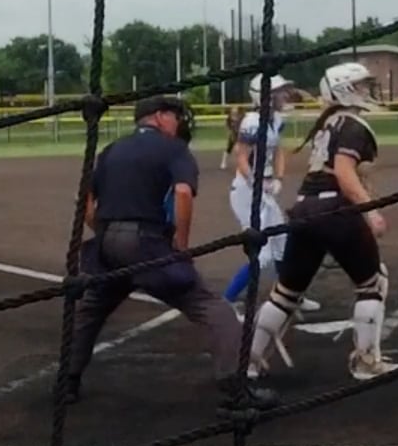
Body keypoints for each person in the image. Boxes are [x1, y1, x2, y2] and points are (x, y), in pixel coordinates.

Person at [59, 94, 276, 411]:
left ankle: (67, 382)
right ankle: (235, 389)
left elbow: (85, 199)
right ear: (159, 117)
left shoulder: (112, 149)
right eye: (175, 116)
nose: (180, 122)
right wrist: (181, 246)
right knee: (213, 309)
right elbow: (183, 193)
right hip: (148, 244)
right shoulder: (173, 149)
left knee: (90, 310)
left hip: (108, 244)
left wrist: (104, 231)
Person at [246, 62, 398, 382]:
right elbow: (344, 173)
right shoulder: (352, 125)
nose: (367, 90)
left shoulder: (328, 122)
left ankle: (248, 360)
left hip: (305, 209)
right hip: (335, 209)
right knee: (373, 283)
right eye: (360, 85)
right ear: (345, 89)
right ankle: (366, 361)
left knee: (286, 293)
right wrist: (371, 211)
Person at [224, 73, 320, 314]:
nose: (284, 95)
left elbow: (277, 151)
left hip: (264, 188)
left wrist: (278, 178)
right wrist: (257, 183)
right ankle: (226, 301)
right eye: (279, 91)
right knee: (263, 254)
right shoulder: (252, 122)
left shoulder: (275, 119)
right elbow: (242, 158)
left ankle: (290, 295)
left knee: (282, 245)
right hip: (247, 192)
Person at [219, 105, 242, 170]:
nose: (234, 113)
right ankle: (223, 162)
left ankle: (240, 163)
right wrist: (230, 134)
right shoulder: (229, 119)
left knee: (240, 150)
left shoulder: (240, 118)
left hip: (239, 135)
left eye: (235, 112)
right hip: (232, 135)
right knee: (229, 149)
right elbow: (227, 127)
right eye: (233, 112)